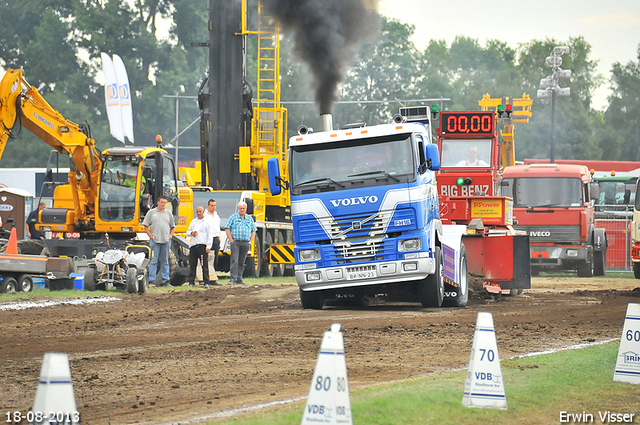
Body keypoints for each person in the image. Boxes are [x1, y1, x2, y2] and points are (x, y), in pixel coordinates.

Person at [142, 196, 175, 286]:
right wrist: (151, 236)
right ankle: (152, 280)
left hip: (166, 242)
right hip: (155, 242)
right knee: (153, 260)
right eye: (162, 202)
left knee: (165, 261)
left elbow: (173, 227)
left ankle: (166, 280)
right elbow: (145, 226)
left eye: (165, 203)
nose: (163, 204)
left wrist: (170, 236)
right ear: (158, 202)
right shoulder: (151, 213)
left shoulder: (168, 213)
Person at [225, 201, 257, 285]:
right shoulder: (233, 217)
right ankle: (233, 279)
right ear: (238, 209)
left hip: (245, 243)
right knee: (234, 260)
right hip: (235, 242)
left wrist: (250, 241)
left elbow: (254, 230)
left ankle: (239, 278)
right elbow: (227, 228)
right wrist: (231, 240)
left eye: (243, 208)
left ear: (246, 209)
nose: (242, 210)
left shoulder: (249, 218)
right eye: (240, 208)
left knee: (242, 261)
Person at [186, 206, 218, 288]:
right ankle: (191, 282)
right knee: (192, 265)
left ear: (203, 212)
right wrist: (191, 233)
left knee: (204, 265)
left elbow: (210, 235)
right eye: (197, 211)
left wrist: (208, 246)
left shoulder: (207, 222)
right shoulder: (193, 222)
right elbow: (187, 232)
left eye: (200, 211)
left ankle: (206, 282)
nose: (198, 213)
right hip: (193, 245)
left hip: (202, 245)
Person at [204, 199, 221, 283]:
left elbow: (217, 228)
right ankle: (205, 278)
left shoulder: (216, 215)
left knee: (215, 259)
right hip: (207, 239)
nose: (213, 207)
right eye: (211, 205)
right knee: (207, 259)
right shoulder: (205, 215)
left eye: (214, 205)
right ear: (208, 206)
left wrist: (219, 238)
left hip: (215, 238)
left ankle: (213, 278)